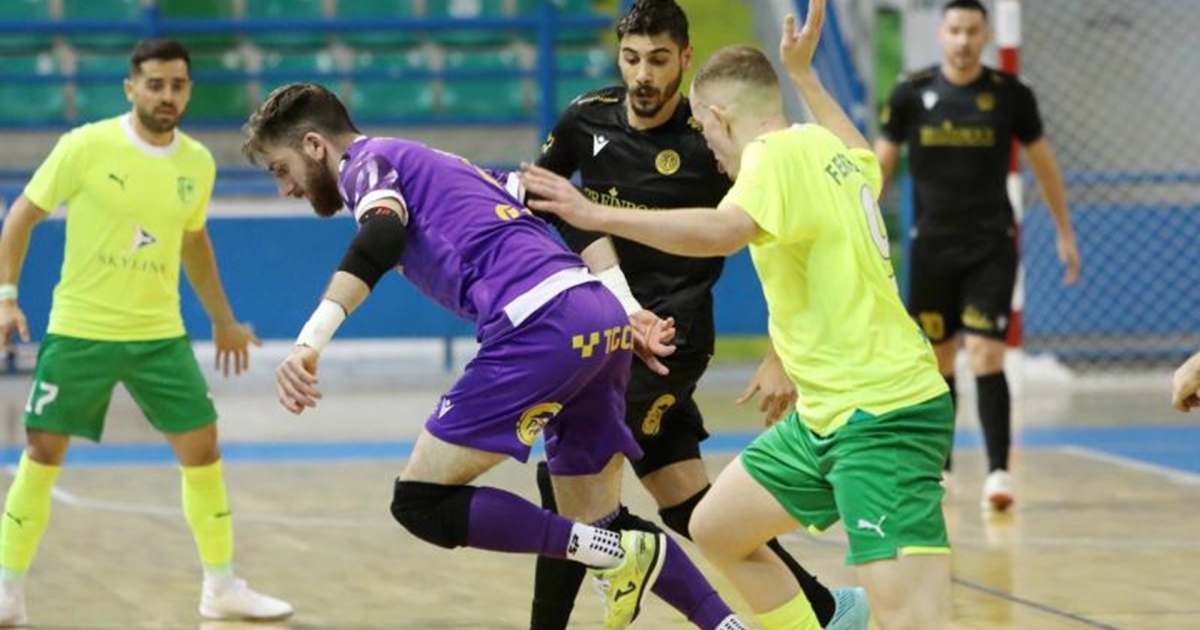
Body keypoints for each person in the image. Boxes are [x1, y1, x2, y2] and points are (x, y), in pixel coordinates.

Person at [244, 81, 757, 630]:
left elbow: (383, 236)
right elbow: (562, 208)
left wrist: (309, 342)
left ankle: (615, 553)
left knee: (420, 501)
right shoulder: (445, 164)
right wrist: (626, 307)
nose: (286, 188)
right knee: (597, 518)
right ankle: (725, 624)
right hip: (597, 316)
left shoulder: (366, 164)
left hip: (539, 326)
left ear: (315, 145)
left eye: (281, 169)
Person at [520, 2, 955, 629]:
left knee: (909, 617)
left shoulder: (770, 159)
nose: (707, 146)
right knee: (717, 527)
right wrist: (804, 75)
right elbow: (863, 152)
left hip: (880, 413)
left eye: (704, 127)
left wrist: (595, 214)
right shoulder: (821, 146)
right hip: (824, 416)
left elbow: (723, 232)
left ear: (719, 117)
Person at [0, 40, 292, 625]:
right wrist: (6, 297)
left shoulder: (197, 163)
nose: (166, 95)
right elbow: (21, 216)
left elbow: (194, 242)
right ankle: (7, 592)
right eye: (155, 84)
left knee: (203, 450)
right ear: (130, 87)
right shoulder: (85, 145)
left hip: (160, 336)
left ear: (189, 91)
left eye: (177, 85)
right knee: (42, 452)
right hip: (81, 331)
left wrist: (224, 320)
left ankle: (221, 587)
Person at [874, 0, 1081, 510]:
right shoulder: (910, 92)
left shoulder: (1011, 94)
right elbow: (879, 168)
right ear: (941, 34)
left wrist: (1064, 230)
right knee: (938, 359)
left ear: (986, 36)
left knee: (988, 355)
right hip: (931, 249)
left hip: (991, 246)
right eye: (955, 30)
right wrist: (860, 228)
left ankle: (998, 474)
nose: (963, 40)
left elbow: (1044, 164)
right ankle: (940, 469)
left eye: (972, 30)